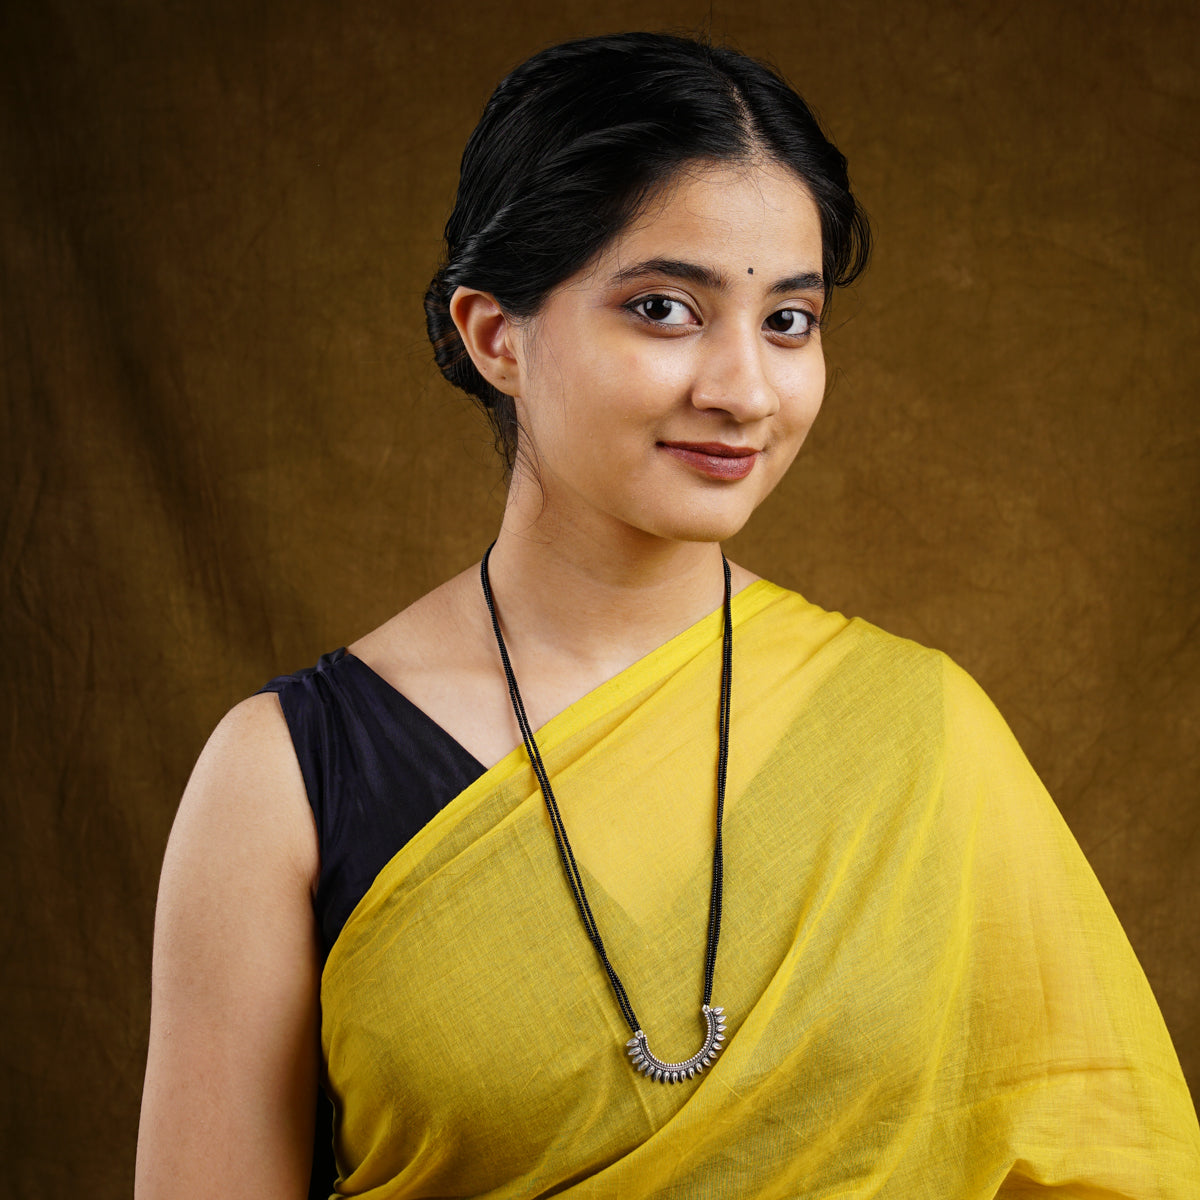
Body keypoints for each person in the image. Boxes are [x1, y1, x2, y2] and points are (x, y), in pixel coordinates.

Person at [134, 31, 1200, 1200]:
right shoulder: (286, 779)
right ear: (495, 336)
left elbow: (1103, 1152)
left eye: (788, 321)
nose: (745, 391)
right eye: (663, 309)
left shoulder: (922, 731)